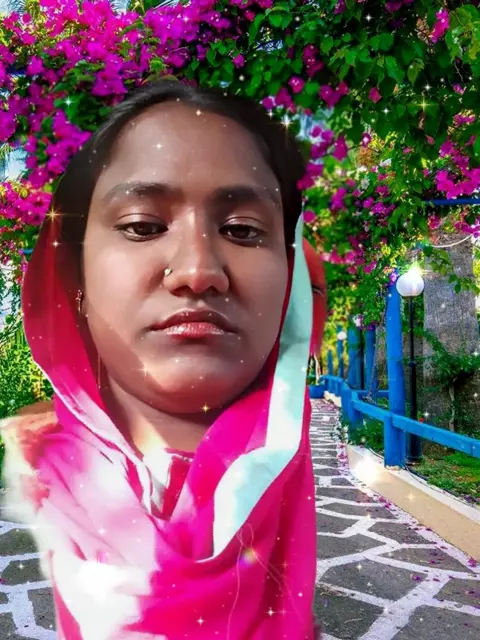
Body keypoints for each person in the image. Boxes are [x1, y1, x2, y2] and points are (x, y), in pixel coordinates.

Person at [1, 80, 326, 639]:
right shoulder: (25, 475)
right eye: (142, 227)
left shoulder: (287, 468)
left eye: (242, 231)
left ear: (290, 278)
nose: (198, 271)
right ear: (75, 273)